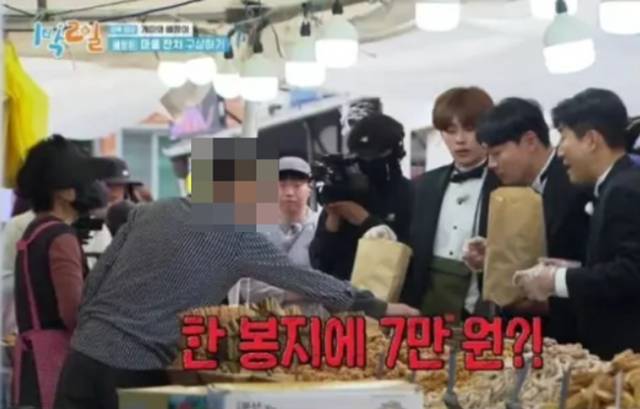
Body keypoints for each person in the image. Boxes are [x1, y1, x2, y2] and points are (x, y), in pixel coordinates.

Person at [53, 198, 419, 409]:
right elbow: (305, 279)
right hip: (137, 373)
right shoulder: (236, 237)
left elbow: (96, 279)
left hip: (81, 358)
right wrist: (378, 307)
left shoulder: (151, 211)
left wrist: (91, 331)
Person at [514, 88, 640, 359]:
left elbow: (632, 272)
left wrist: (555, 280)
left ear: (591, 140)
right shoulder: (615, 183)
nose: (559, 151)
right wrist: (573, 268)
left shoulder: (624, 189)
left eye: (564, 137)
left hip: (627, 352)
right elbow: (616, 261)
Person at [474, 97, 591, 343]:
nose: (491, 165)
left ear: (530, 141)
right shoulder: (505, 185)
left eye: (497, 154)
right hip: (521, 331)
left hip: (572, 333)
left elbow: (592, 264)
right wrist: (495, 254)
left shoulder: (576, 182)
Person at [12, 135, 114, 409]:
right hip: (58, 370)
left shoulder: (34, 232)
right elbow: (73, 312)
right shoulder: (61, 237)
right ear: (65, 192)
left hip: (31, 363)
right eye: (85, 180)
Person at [400, 86, 498, 322]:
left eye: (470, 129)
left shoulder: (506, 183)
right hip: (426, 302)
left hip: (482, 304)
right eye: (450, 131)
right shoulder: (425, 185)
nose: (460, 140)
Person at [309, 113, 412, 282]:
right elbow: (319, 264)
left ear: (393, 152)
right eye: (360, 157)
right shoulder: (344, 193)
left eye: (373, 156)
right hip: (340, 294)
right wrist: (332, 222)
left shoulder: (410, 195)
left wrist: (366, 221)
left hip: (387, 295)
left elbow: (408, 262)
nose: (366, 163)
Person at [228, 156, 325, 314]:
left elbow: (331, 283)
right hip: (265, 322)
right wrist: (298, 292)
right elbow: (247, 288)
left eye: (297, 185)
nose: (289, 193)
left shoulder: (323, 227)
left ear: (310, 188)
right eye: (281, 185)